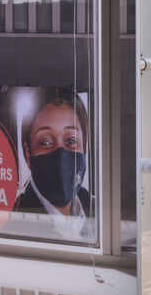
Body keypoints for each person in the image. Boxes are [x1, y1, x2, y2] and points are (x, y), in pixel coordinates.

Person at [13, 89, 93, 238]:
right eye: (45, 142)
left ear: (84, 147)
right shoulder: (14, 219)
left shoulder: (95, 207)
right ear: (28, 154)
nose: (61, 156)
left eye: (71, 140)